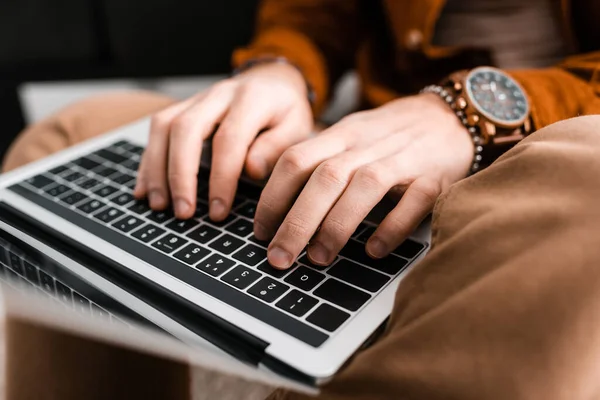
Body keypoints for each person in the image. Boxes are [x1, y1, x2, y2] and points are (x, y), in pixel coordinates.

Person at [4, 0, 600, 398]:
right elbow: (317, 13)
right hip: (371, 144)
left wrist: (465, 112)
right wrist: (280, 69)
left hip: (556, 154)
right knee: (76, 134)